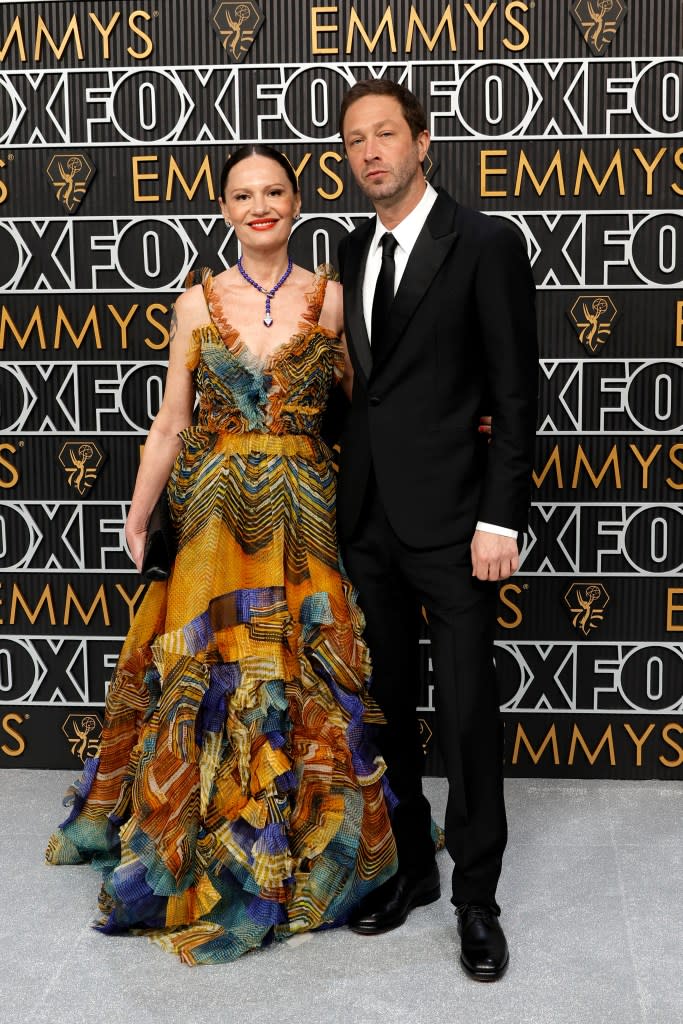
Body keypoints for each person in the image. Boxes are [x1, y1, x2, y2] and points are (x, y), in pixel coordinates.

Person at [45, 143, 399, 965]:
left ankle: (305, 844)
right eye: (243, 195)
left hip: (306, 513)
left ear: (298, 201)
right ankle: (203, 840)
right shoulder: (196, 305)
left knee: (302, 670)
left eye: (273, 190)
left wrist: (455, 430)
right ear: (224, 209)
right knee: (212, 677)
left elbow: (374, 406)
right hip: (210, 521)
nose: (260, 206)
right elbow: (170, 422)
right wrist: (138, 514)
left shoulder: (336, 299)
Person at [336, 80, 539, 981]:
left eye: (386, 134)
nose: (370, 151)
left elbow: (513, 393)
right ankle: (415, 869)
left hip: (458, 526)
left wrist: (501, 515)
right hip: (368, 522)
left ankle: (476, 899)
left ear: (422, 141)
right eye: (354, 141)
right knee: (391, 714)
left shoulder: (485, 243)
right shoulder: (349, 248)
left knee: (464, 717)